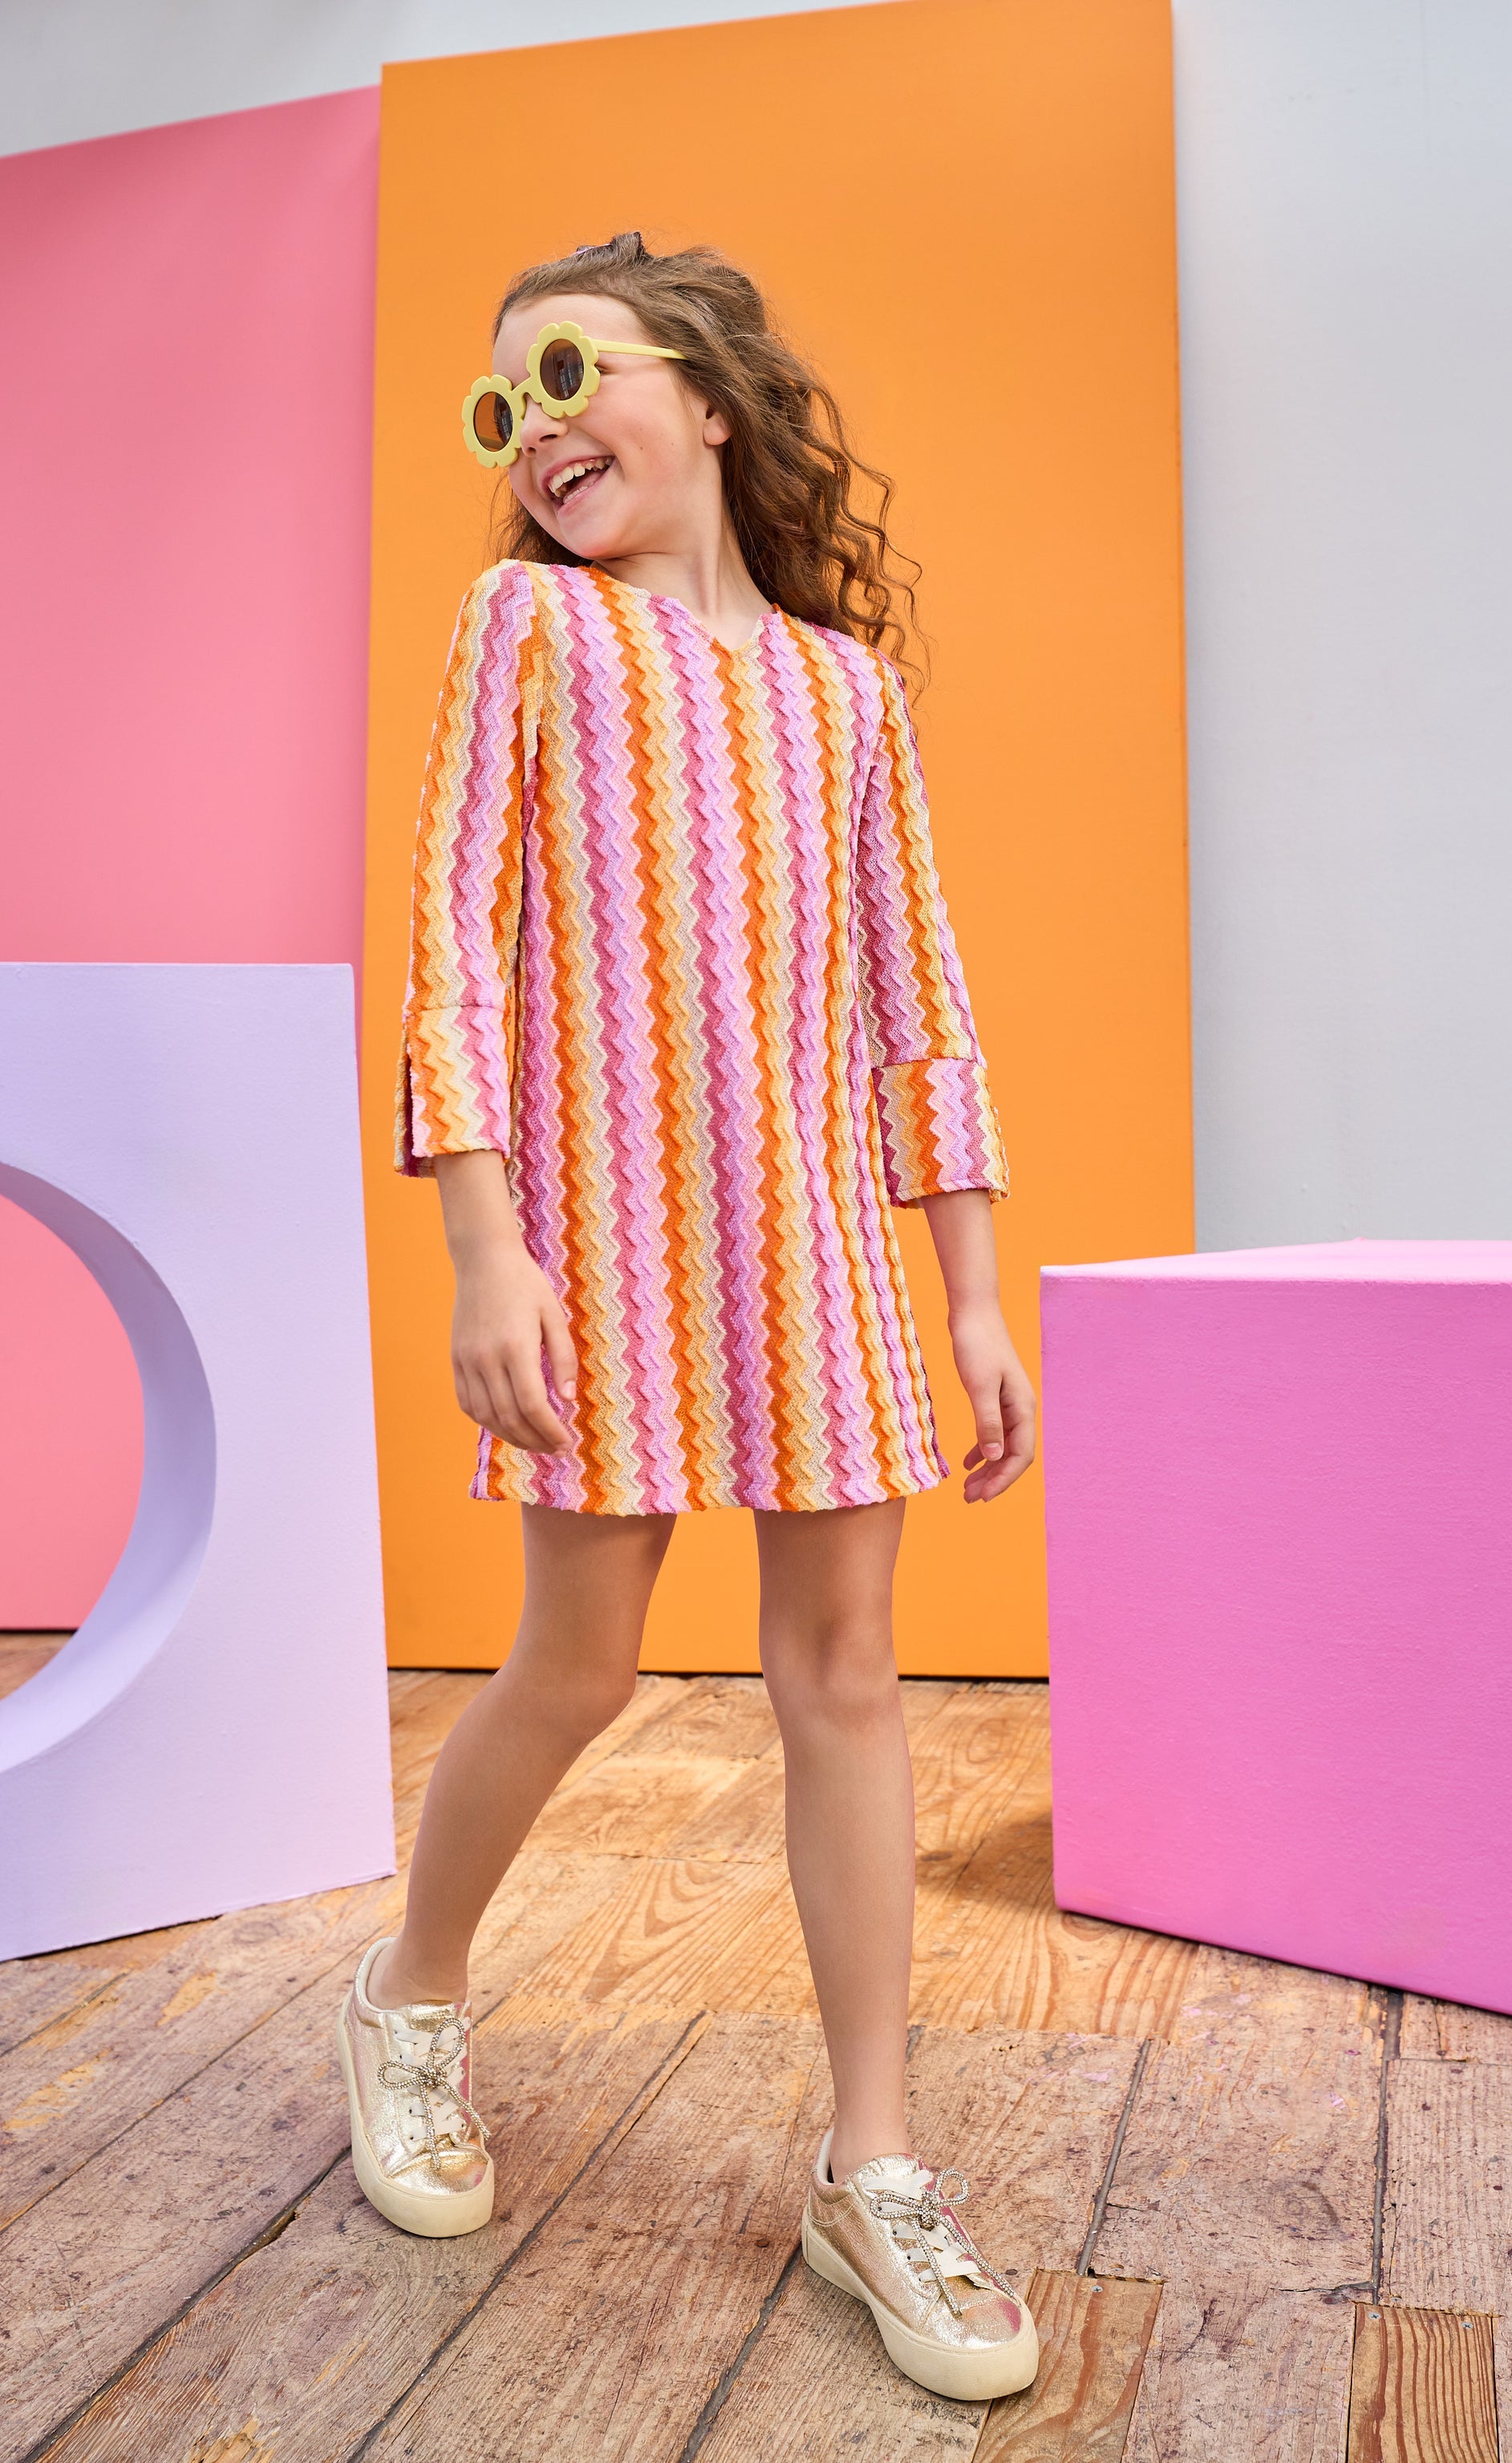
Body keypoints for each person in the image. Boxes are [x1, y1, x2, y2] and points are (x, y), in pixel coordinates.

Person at [334, 231, 1039, 2401]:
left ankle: (873, 2164)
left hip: (814, 1249)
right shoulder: (529, 630)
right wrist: (486, 1248)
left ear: (710, 400)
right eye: (502, 409)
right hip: (600, 1246)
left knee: (846, 1676)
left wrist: (974, 1293)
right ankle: (411, 1994)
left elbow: (921, 997)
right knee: (581, 1662)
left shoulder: (847, 690)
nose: (533, 430)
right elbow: (453, 949)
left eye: (569, 374)